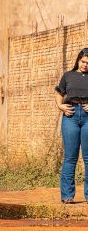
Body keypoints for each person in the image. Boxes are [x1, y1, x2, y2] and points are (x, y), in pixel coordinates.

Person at [55, 48, 88, 204]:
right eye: (83, 61)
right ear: (79, 60)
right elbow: (59, 92)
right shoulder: (68, 75)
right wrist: (60, 106)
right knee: (70, 157)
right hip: (71, 116)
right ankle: (67, 196)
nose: (85, 65)